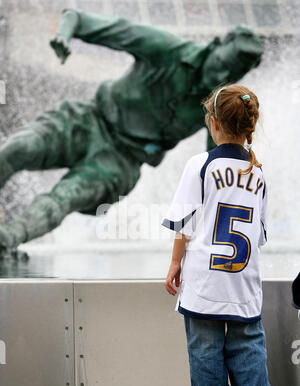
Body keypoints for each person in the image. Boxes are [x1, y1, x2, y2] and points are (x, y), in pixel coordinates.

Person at [0, 7, 263, 254]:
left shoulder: (219, 104)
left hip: (121, 163)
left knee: (63, 199)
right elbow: (76, 18)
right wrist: (64, 35)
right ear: (217, 45)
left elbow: (217, 165)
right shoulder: (167, 49)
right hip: (88, 119)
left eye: (234, 73)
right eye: (224, 63)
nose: (224, 73)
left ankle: (6, 240)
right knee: (17, 150)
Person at [161, 84, 284, 386]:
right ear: (249, 127)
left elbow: (184, 224)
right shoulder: (257, 174)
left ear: (213, 124)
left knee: (204, 351)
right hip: (243, 283)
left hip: (203, 281)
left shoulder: (200, 165)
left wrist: (174, 264)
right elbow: (258, 235)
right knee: (248, 346)